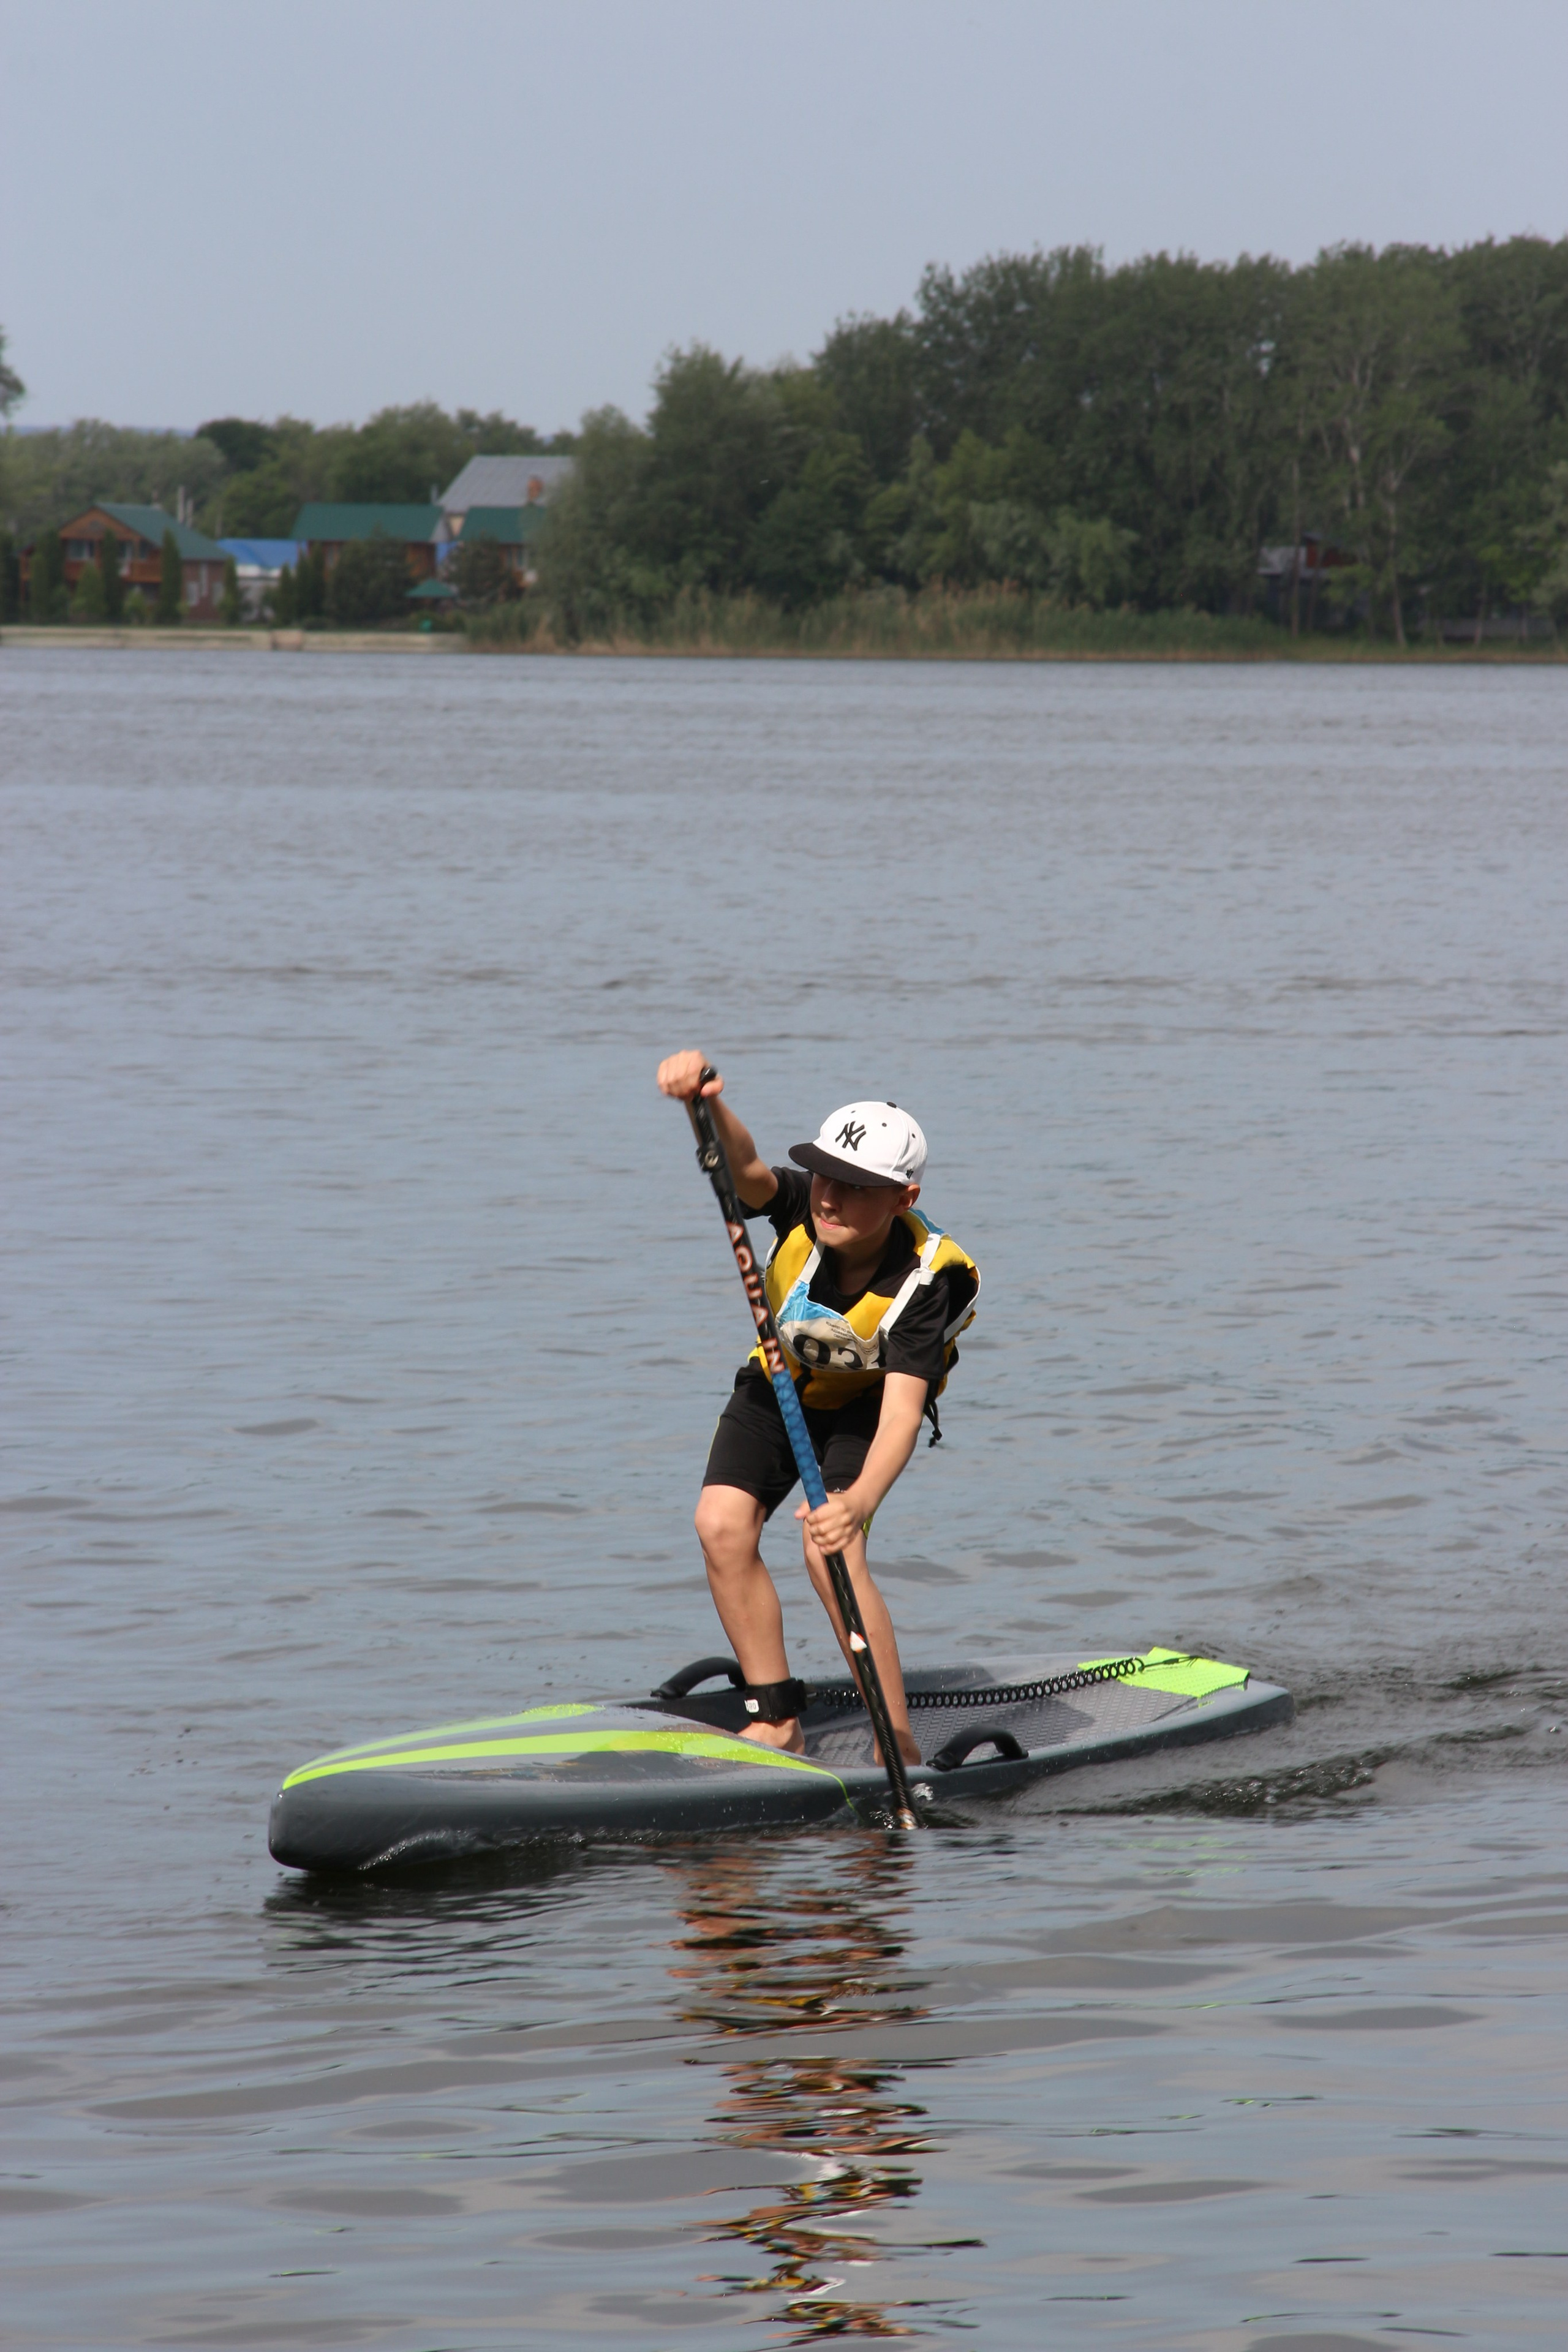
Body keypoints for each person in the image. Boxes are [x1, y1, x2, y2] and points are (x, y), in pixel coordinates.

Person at [657, 1052, 980, 1762]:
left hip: (865, 1411)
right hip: (777, 1387)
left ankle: (895, 1742)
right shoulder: (804, 1202)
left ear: (902, 1198)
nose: (830, 1199)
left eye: (857, 1188)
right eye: (826, 1177)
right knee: (720, 1524)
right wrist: (706, 1106)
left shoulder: (926, 1283)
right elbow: (746, 1170)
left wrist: (857, 1502)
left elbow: (901, 1416)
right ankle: (777, 1718)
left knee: (829, 1549)